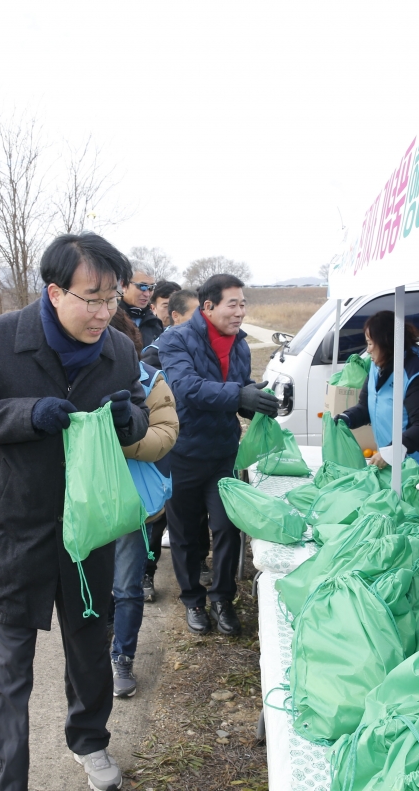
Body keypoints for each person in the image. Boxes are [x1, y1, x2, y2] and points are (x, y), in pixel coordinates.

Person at [0, 232, 150, 791]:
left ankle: (90, 741)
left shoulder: (120, 351)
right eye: (92, 297)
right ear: (55, 292)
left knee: (89, 646)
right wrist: (28, 413)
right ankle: (10, 776)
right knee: (11, 659)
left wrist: (132, 421)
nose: (104, 312)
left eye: (112, 298)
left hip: (88, 528)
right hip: (13, 527)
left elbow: (134, 405)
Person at [158, 274, 279, 636]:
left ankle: (222, 599)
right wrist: (238, 396)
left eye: (243, 304)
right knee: (183, 533)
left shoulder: (239, 345)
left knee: (227, 528)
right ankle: (193, 600)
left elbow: (236, 393)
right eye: (233, 304)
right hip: (183, 451)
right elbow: (185, 388)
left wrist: (255, 404)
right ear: (208, 306)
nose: (240, 311)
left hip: (223, 452)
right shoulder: (175, 339)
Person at [106, 310, 178, 697]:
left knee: (127, 585)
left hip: (130, 503)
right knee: (87, 584)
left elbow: (166, 433)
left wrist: (120, 439)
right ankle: (94, 648)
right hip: (84, 502)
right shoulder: (71, 380)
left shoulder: (150, 379)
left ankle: (123, 657)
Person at [336, 310, 419, 480]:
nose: (368, 351)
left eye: (371, 344)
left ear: (386, 342)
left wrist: (391, 451)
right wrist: (345, 418)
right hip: (395, 463)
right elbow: (366, 407)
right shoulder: (378, 365)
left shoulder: (416, 372)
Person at [141, 287, 200, 599]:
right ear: (175, 317)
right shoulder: (154, 354)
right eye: (195, 316)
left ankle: (194, 564)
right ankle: (146, 573)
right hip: (166, 452)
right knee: (157, 520)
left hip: (193, 448)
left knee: (188, 517)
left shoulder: (199, 350)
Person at [119, 264, 165, 347]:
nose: (147, 294)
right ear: (124, 285)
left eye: (151, 288)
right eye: (142, 287)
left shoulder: (155, 323)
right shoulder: (109, 317)